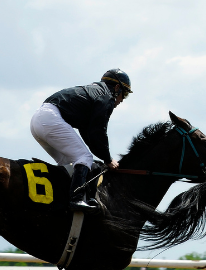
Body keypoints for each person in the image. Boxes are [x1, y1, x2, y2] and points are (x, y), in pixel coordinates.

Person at [30, 69, 132, 212]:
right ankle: (76, 199)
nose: (121, 100)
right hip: (50, 119)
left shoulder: (95, 92)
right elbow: (98, 131)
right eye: (124, 94)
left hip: (38, 120)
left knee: (69, 164)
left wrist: (102, 156)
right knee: (84, 157)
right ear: (116, 88)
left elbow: (88, 133)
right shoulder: (107, 97)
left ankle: (61, 199)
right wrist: (108, 159)